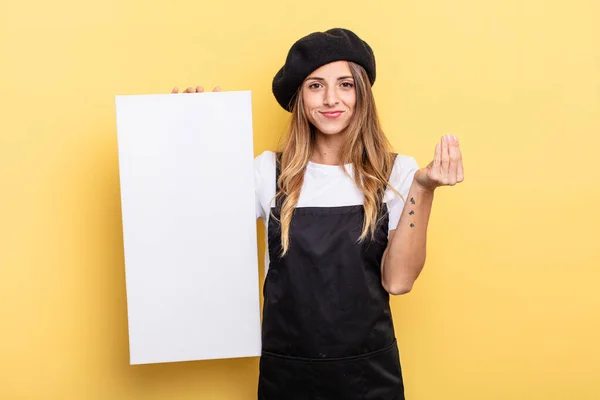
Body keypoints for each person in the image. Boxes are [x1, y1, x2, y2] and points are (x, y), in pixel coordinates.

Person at [173, 27, 464, 400]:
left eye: (345, 84)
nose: (331, 99)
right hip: (288, 375)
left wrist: (423, 189)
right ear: (300, 97)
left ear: (362, 93)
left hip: (369, 377)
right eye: (315, 85)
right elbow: (192, 227)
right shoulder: (266, 172)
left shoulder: (397, 173)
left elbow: (398, 281)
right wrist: (189, 135)